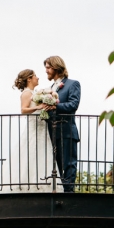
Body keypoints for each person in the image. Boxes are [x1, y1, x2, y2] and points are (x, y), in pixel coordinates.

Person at [8, 69, 55, 192]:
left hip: (42, 128)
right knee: (31, 153)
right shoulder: (27, 93)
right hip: (34, 129)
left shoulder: (35, 93)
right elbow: (23, 110)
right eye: (35, 76)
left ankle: (42, 184)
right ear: (29, 79)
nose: (38, 78)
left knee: (42, 154)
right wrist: (39, 107)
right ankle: (29, 185)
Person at [38, 56, 81, 193]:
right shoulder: (50, 88)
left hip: (67, 131)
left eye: (48, 67)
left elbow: (73, 105)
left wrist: (55, 106)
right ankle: (60, 190)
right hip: (52, 132)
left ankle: (69, 192)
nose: (46, 71)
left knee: (69, 164)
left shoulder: (73, 84)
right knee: (55, 165)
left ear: (56, 67)